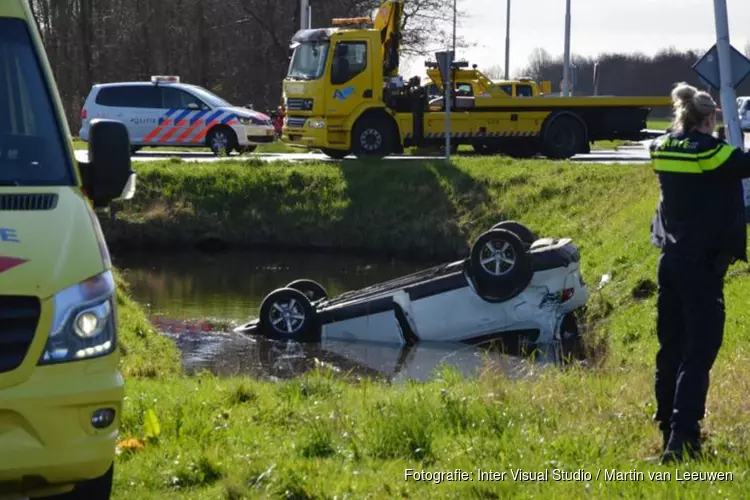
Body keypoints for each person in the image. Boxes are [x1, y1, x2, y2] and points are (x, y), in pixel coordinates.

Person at [649, 82, 750, 464]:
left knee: (670, 347)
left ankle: (665, 427)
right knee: (699, 351)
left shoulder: (662, 148)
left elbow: (674, 145)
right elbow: (740, 163)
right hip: (702, 265)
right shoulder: (713, 154)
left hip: (670, 260)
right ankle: (683, 439)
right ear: (709, 119)